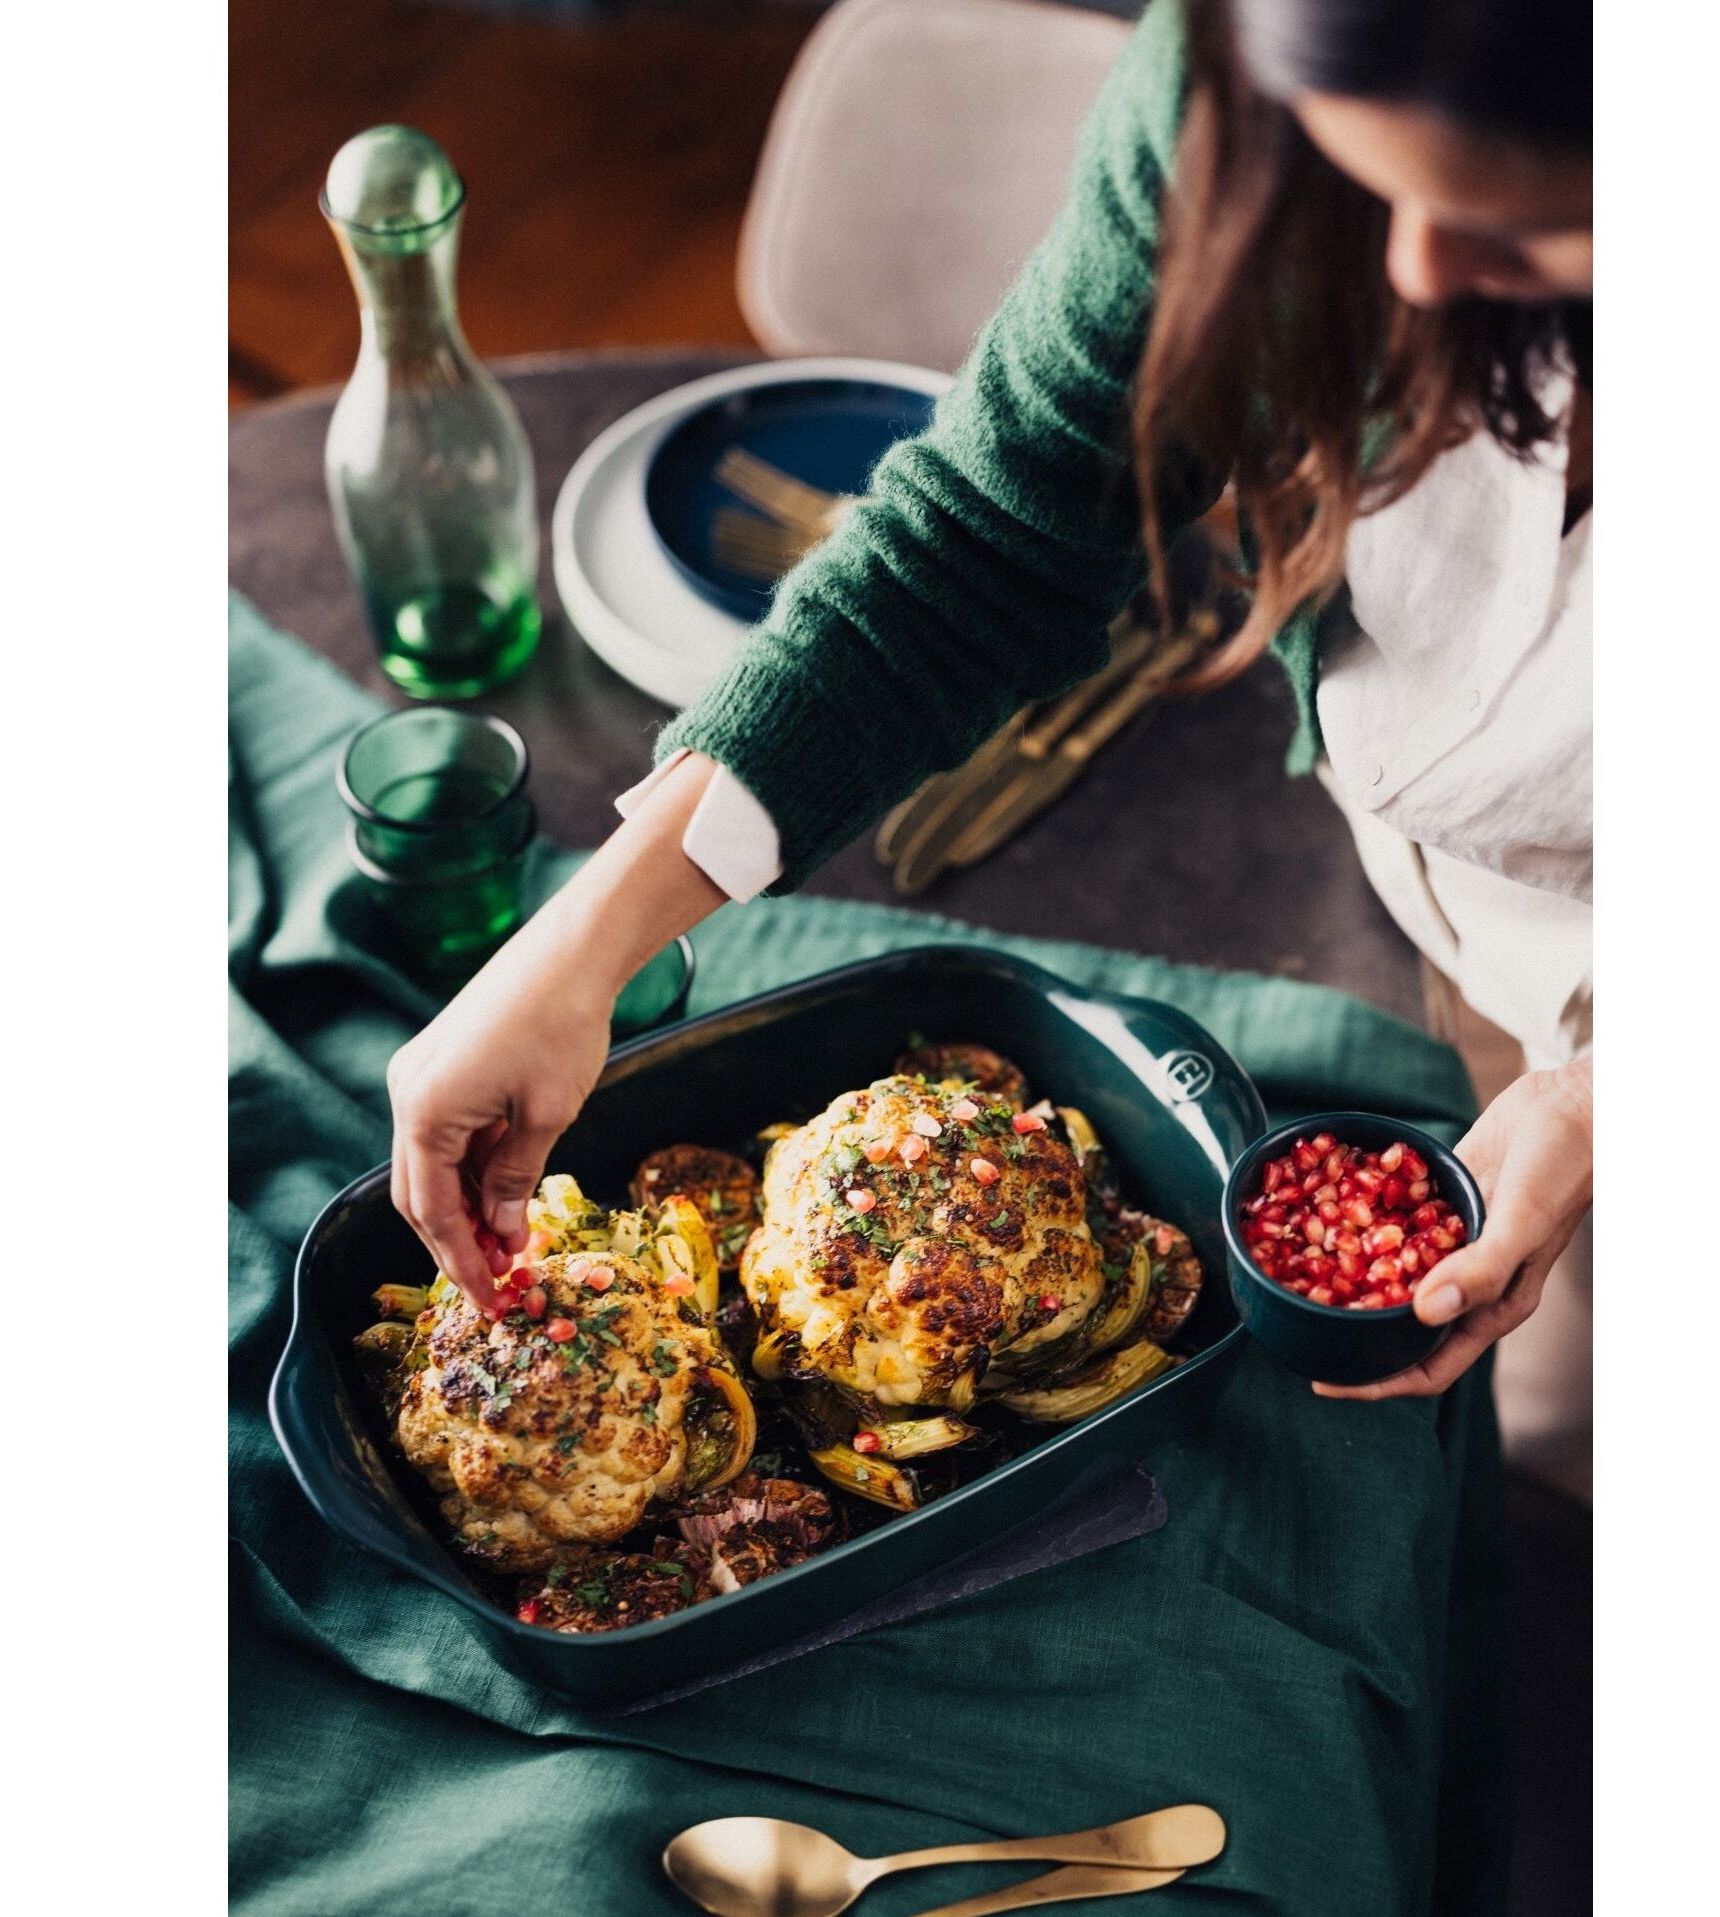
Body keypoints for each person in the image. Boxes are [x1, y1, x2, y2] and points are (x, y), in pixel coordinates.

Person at [385, 0, 1594, 1413]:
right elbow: (991, 530)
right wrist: (580, 943)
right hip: (1434, 897)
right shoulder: (1237, 84)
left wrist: (1598, 1095)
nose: (1412, 268)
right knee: (1532, 1403)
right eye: (1364, 175)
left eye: (1521, 229)